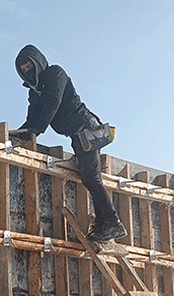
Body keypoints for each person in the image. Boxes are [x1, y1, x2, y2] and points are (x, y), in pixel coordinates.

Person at [14, 45, 127, 242]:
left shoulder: (55, 74)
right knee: (88, 178)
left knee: (91, 178)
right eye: (23, 69)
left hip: (86, 128)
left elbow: (52, 105)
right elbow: (33, 117)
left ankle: (113, 222)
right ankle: (103, 225)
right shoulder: (34, 92)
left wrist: (38, 130)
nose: (27, 71)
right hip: (77, 136)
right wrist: (19, 134)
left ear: (38, 62)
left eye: (29, 65)